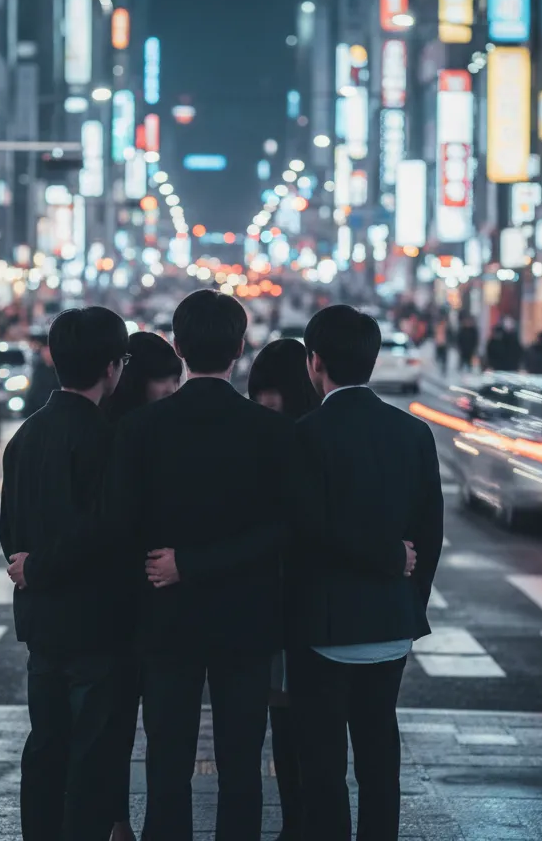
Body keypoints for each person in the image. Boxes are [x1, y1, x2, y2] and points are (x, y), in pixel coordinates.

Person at [107, 290, 296, 841]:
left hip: (165, 615)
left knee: (166, 761)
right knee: (242, 763)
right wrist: (202, 561)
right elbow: (285, 529)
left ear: (179, 346)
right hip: (247, 617)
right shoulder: (272, 431)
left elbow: (123, 525)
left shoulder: (141, 430)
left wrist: (178, 563)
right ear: (241, 346)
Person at [288, 305, 443, 841]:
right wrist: (406, 594)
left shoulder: (306, 435)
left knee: (323, 764)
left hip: (323, 627)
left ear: (315, 363)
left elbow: (304, 532)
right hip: (391, 623)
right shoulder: (413, 433)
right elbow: (431, 534)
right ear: (373, 362)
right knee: (380, 756)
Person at [0, 307, 132, 841]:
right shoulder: (106, 439)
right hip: (96, 621)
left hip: (42, 620)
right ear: (111, 368)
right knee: (93, 753)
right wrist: (48, 565)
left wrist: (32, 568)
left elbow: (12, 536)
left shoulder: (26, 436)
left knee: (46, 744)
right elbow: (105, 530)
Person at [104, 330, 183, 841]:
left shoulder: (110, 427)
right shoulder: (144, 433)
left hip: (118, 602)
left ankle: (117, 822)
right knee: (155, 728)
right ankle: (125, 823)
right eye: (166, 381)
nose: (173, 390)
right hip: (148, 599)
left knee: (115, 726)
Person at [247, 338, 320, 841]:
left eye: (272, 392)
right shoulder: (270, 437)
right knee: (285, 719)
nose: (264, 402)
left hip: (299, 602)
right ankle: (297, 819)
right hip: (276, 605)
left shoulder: (301, 441)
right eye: (259, 393)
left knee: (301, 722)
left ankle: (302, 819)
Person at [23, 331, 61, 417]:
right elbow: (34, 390)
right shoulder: (39, 369)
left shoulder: (60, 369)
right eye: (44, 350)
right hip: (40, 409)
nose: (47, 353)